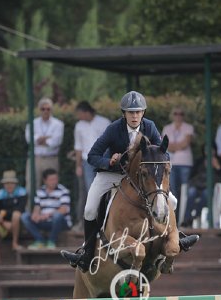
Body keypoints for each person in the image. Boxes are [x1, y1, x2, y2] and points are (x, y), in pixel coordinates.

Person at [62, 91, 198, 272]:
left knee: (171, 201)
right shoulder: (113, 129)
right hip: (112, 174)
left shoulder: (149, 126)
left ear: (143, 113)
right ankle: (86, 254)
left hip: (139, 176)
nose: (134, 116)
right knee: (89, 209)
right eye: (131, 112)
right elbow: (92, 156)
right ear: (124, 113)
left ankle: (177, 236)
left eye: (138, 112)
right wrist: (109, 161)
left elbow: (162, 152)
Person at [73, 101, 111, 229]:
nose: (78, 116)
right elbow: (78, 147)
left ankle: (104, 219)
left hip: (102, 160)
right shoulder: (79, 125)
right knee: (90, 190)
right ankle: (90, 221)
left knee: (104, 189)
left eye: (79, 113)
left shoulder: (104, 122)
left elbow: (110, 143)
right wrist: (78, 166)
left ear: (86, 112)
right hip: (87, 161)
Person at [21, 168, 72, 249]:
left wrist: (46, 215)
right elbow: (37, 207)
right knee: (25, 216)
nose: (54, 181)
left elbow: (63, 209)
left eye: (55, 179)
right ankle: (39, 240)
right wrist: (35, 215)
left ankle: (51, 241)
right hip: (45, 221)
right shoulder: (40, 191)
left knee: (57, 216)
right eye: (51, 180)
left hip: (60, 223)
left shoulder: (63, 191)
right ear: (45, 181)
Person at [162, 107, 195, 223]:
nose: (178, 116)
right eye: (176, 113)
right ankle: (174, 218)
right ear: (172, 115)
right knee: (173, 191)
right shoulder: (167, 128)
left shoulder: (188, 127)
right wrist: (177, 146)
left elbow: (186, 143)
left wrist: (173, 146)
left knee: (185, 192)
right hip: (171, 163)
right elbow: (165, 145)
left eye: (181, 113)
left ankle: (185, 218)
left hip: (185, 163)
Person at [0, 170, 27, 266]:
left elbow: (20, 209)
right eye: (7, 183)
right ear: (3, 184)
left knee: (16, 215)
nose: (9, 185)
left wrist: (5, 216)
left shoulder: (22, 193)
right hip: (2, 223)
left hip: (19, 224)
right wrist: (3, 223)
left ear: (15, 184)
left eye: (11, 183)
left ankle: (15, 243)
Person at [25, 97, 64, 189]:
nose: (45, 111)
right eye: (43, 109)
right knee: (32, 185)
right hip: (35, 159)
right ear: (39, 110)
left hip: (51, 158)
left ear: (51, 110)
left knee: (52, 185)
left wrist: (39, 140)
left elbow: (56, 141)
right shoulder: (32, 123)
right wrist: (47, 138)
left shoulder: (58, 124)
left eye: (48, 109)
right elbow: (29, 140)